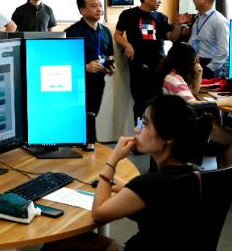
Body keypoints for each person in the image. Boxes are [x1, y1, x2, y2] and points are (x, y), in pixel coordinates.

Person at [47, 95, 211, 251]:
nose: (136, 129)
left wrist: (113, 160)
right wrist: (127, 188)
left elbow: (99, 213)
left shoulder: (148, 184)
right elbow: (156, 203)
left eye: (145, 124)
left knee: (59, 244)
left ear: (168, 137)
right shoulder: (192, 174)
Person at [156, 43, 232, 197]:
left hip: (180, 125)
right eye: (194, 62)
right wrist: (225, 101)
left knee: (223, 133)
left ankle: (223, 181)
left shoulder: (171, 75)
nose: (196, 65)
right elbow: (192, 104)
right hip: (185, 129)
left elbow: (192, 93)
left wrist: (199, 74)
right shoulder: (173, 79)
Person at [114, 0, 185, 119]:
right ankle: (140, 131)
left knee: (158, 103)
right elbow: (117, 35)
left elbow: (172, 38)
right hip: (138, 65)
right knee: (140, 103)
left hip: (159, 66)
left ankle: (154, 130)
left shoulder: (161, 17)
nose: (160, 1)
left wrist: (179, 24)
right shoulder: (128, 14)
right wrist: (127, 45)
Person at [64, 0, 115, 126]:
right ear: (82, 10)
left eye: (100, 5)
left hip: (98, 83)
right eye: (94, 6)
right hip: (79, 85)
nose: (99, 9)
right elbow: (64, 66)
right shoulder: (71, 33)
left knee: (92, 117)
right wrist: (85, 67)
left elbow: (108, 56)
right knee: (80, 122)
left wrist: (109, 67)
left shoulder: (106, 31)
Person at [187, 0, 229, 79]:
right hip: (193, 62)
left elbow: (224, 51)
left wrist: (209, 69)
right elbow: (194, 39)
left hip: (208, 65)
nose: (193, 0)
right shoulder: (198, 17)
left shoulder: (219, 20)